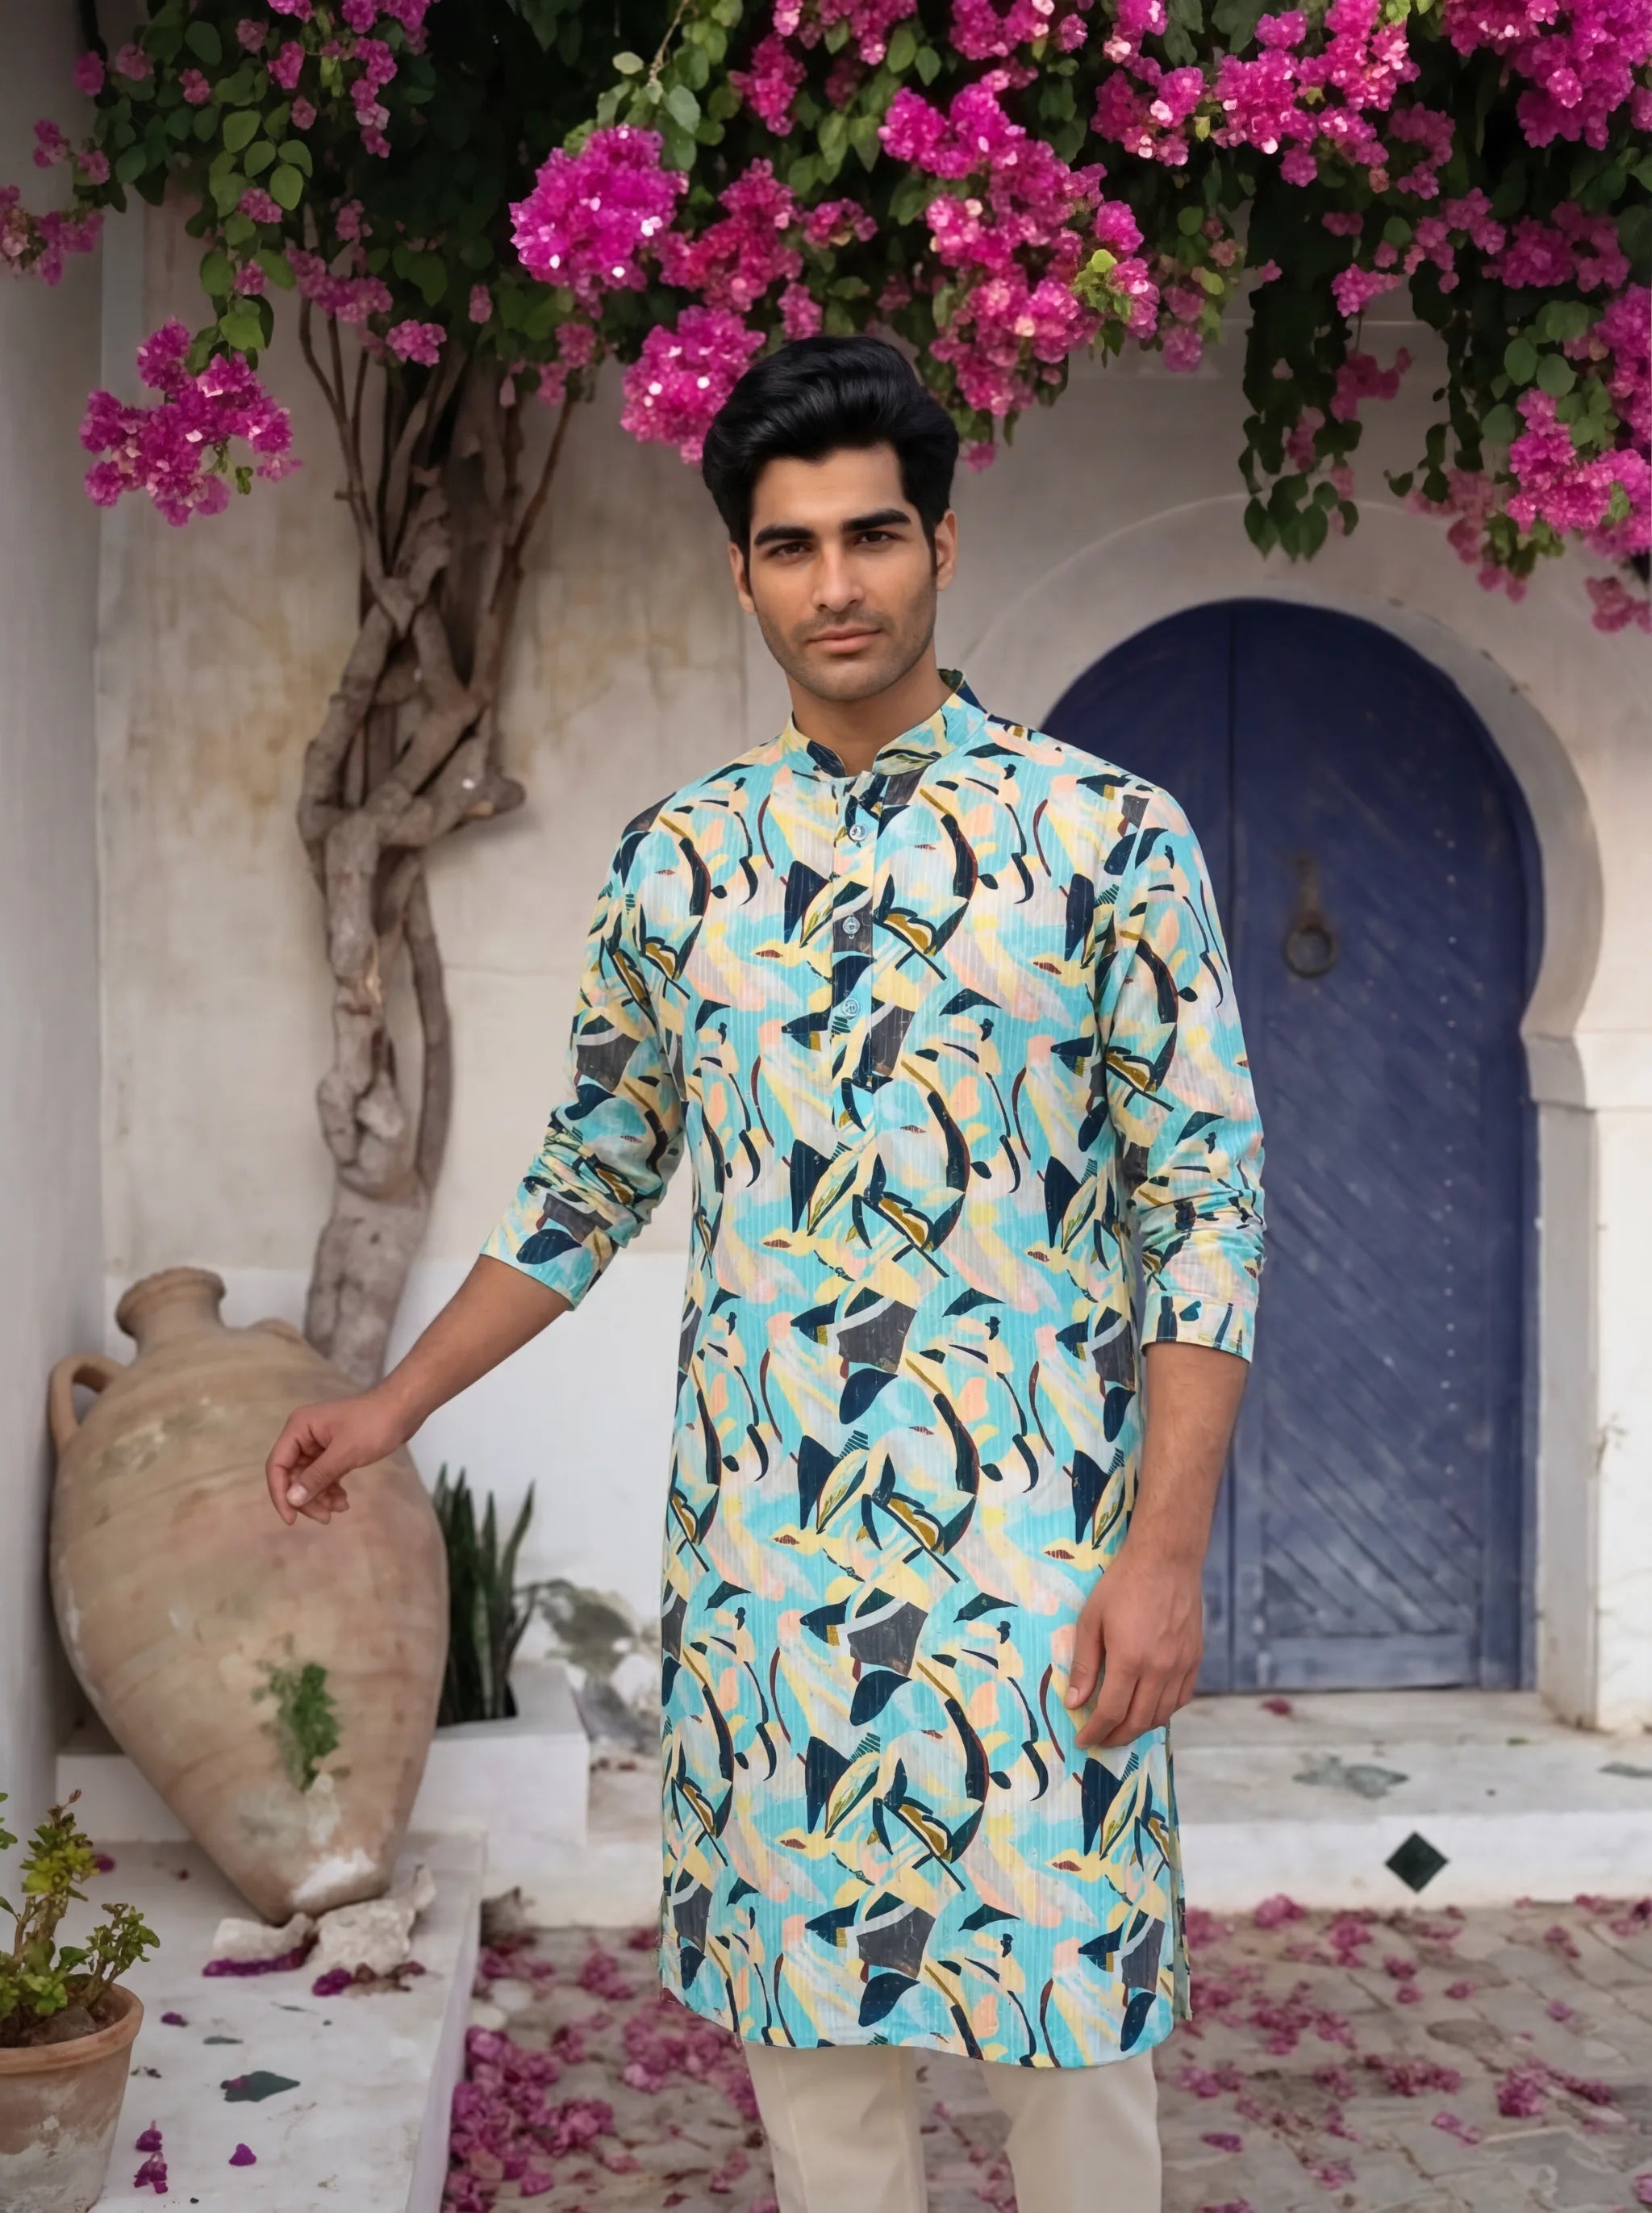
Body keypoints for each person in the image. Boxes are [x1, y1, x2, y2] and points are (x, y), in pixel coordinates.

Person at [265, 334, 1265, 2213]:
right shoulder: (682, 864)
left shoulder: (1104, 839)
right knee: (817, 2087)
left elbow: (1204, 1211)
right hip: (773, 1578)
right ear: (741, 572)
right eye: (790, 547)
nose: (835, 583)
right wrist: (390, 1406)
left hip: (1038, 1565)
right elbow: (585, 1183)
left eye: (872, 535)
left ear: (940, 545)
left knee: (1072, 2063)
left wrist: (1164, 1552)